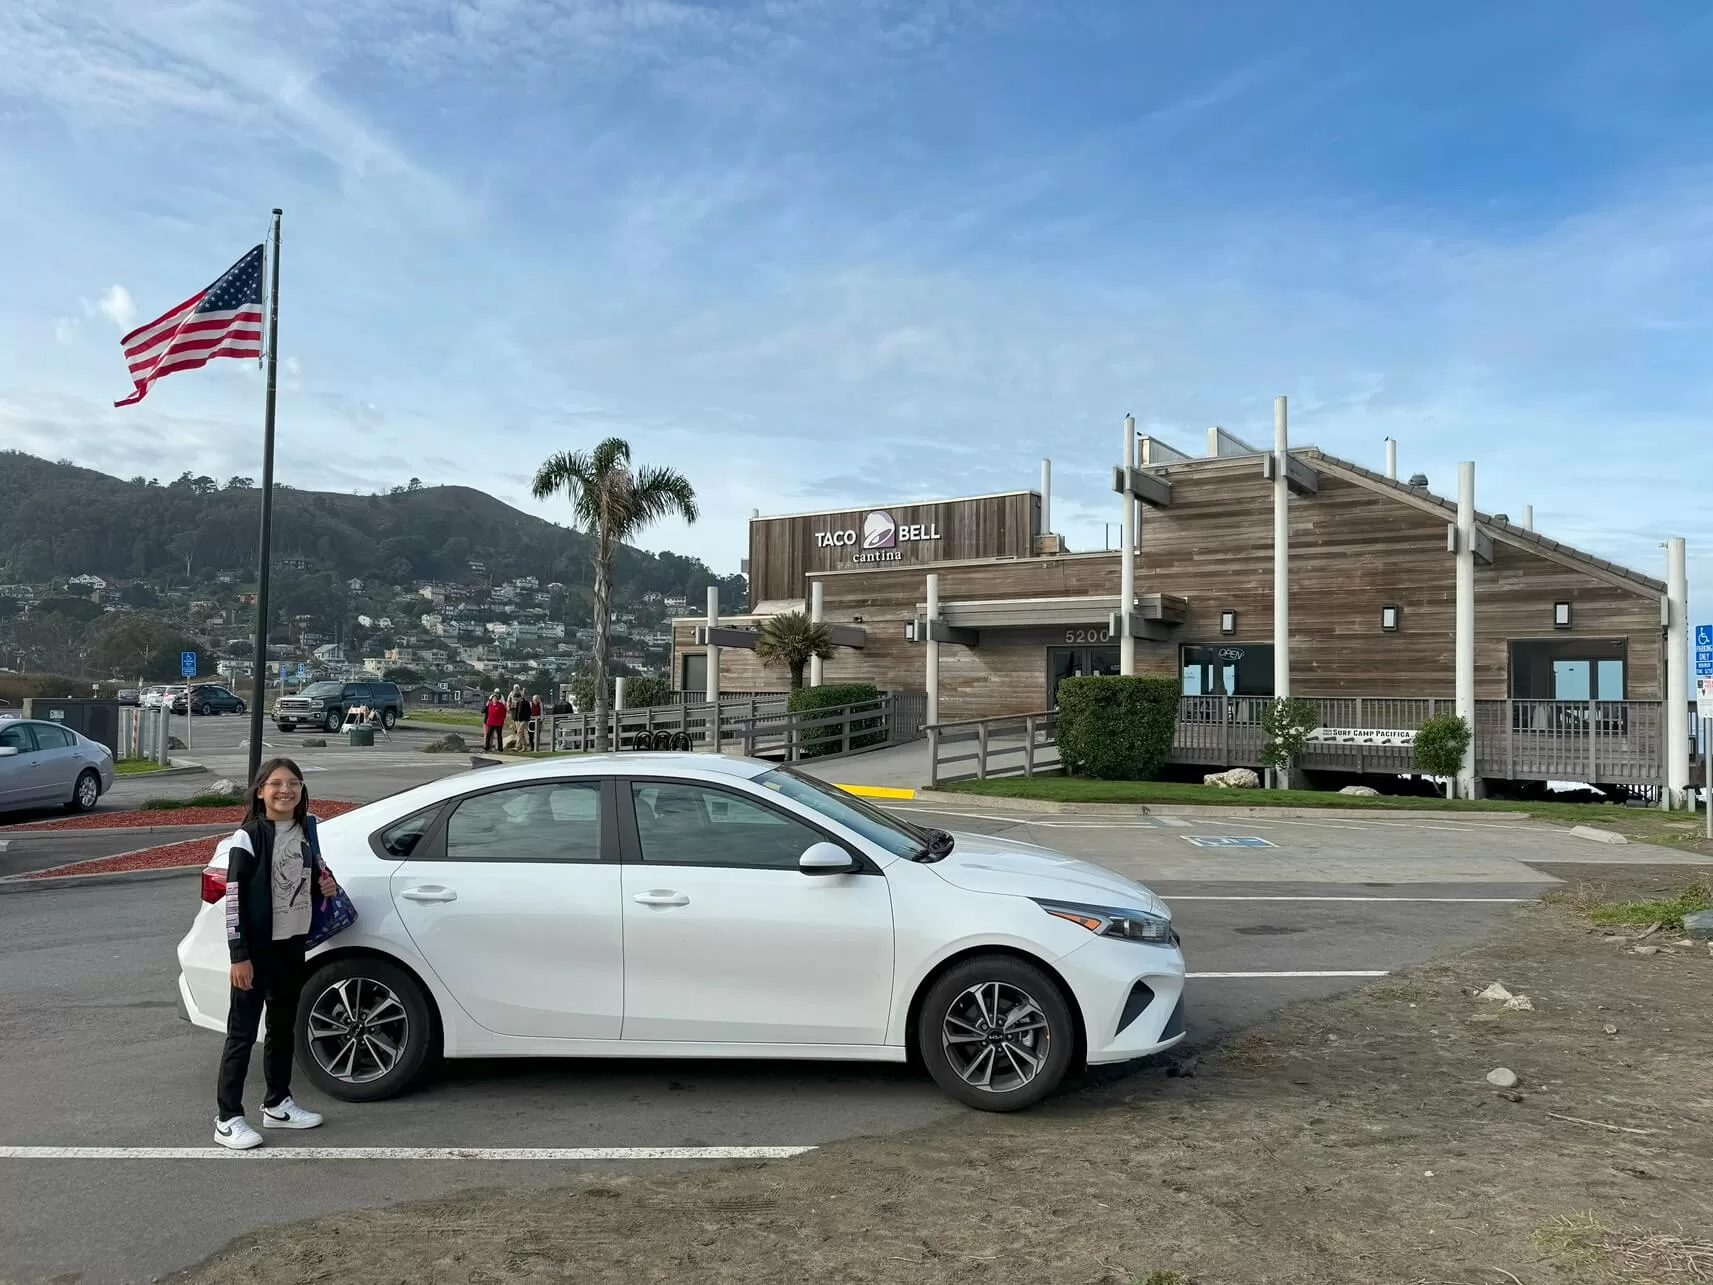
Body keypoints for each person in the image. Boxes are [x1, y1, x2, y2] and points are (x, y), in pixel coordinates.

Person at [213, 757, 338, 1150]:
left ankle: (278, 1103)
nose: (286, 791)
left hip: (291, 947)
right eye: (277, 784)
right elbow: (233, 899)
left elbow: (304, 887)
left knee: (282, 1029)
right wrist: (239, 955)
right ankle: (228, 1117)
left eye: (294, 784)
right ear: (261, 791)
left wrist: (325, 887)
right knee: (242, 1033)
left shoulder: (306, 832)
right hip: (255, 951)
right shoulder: (248, 837)